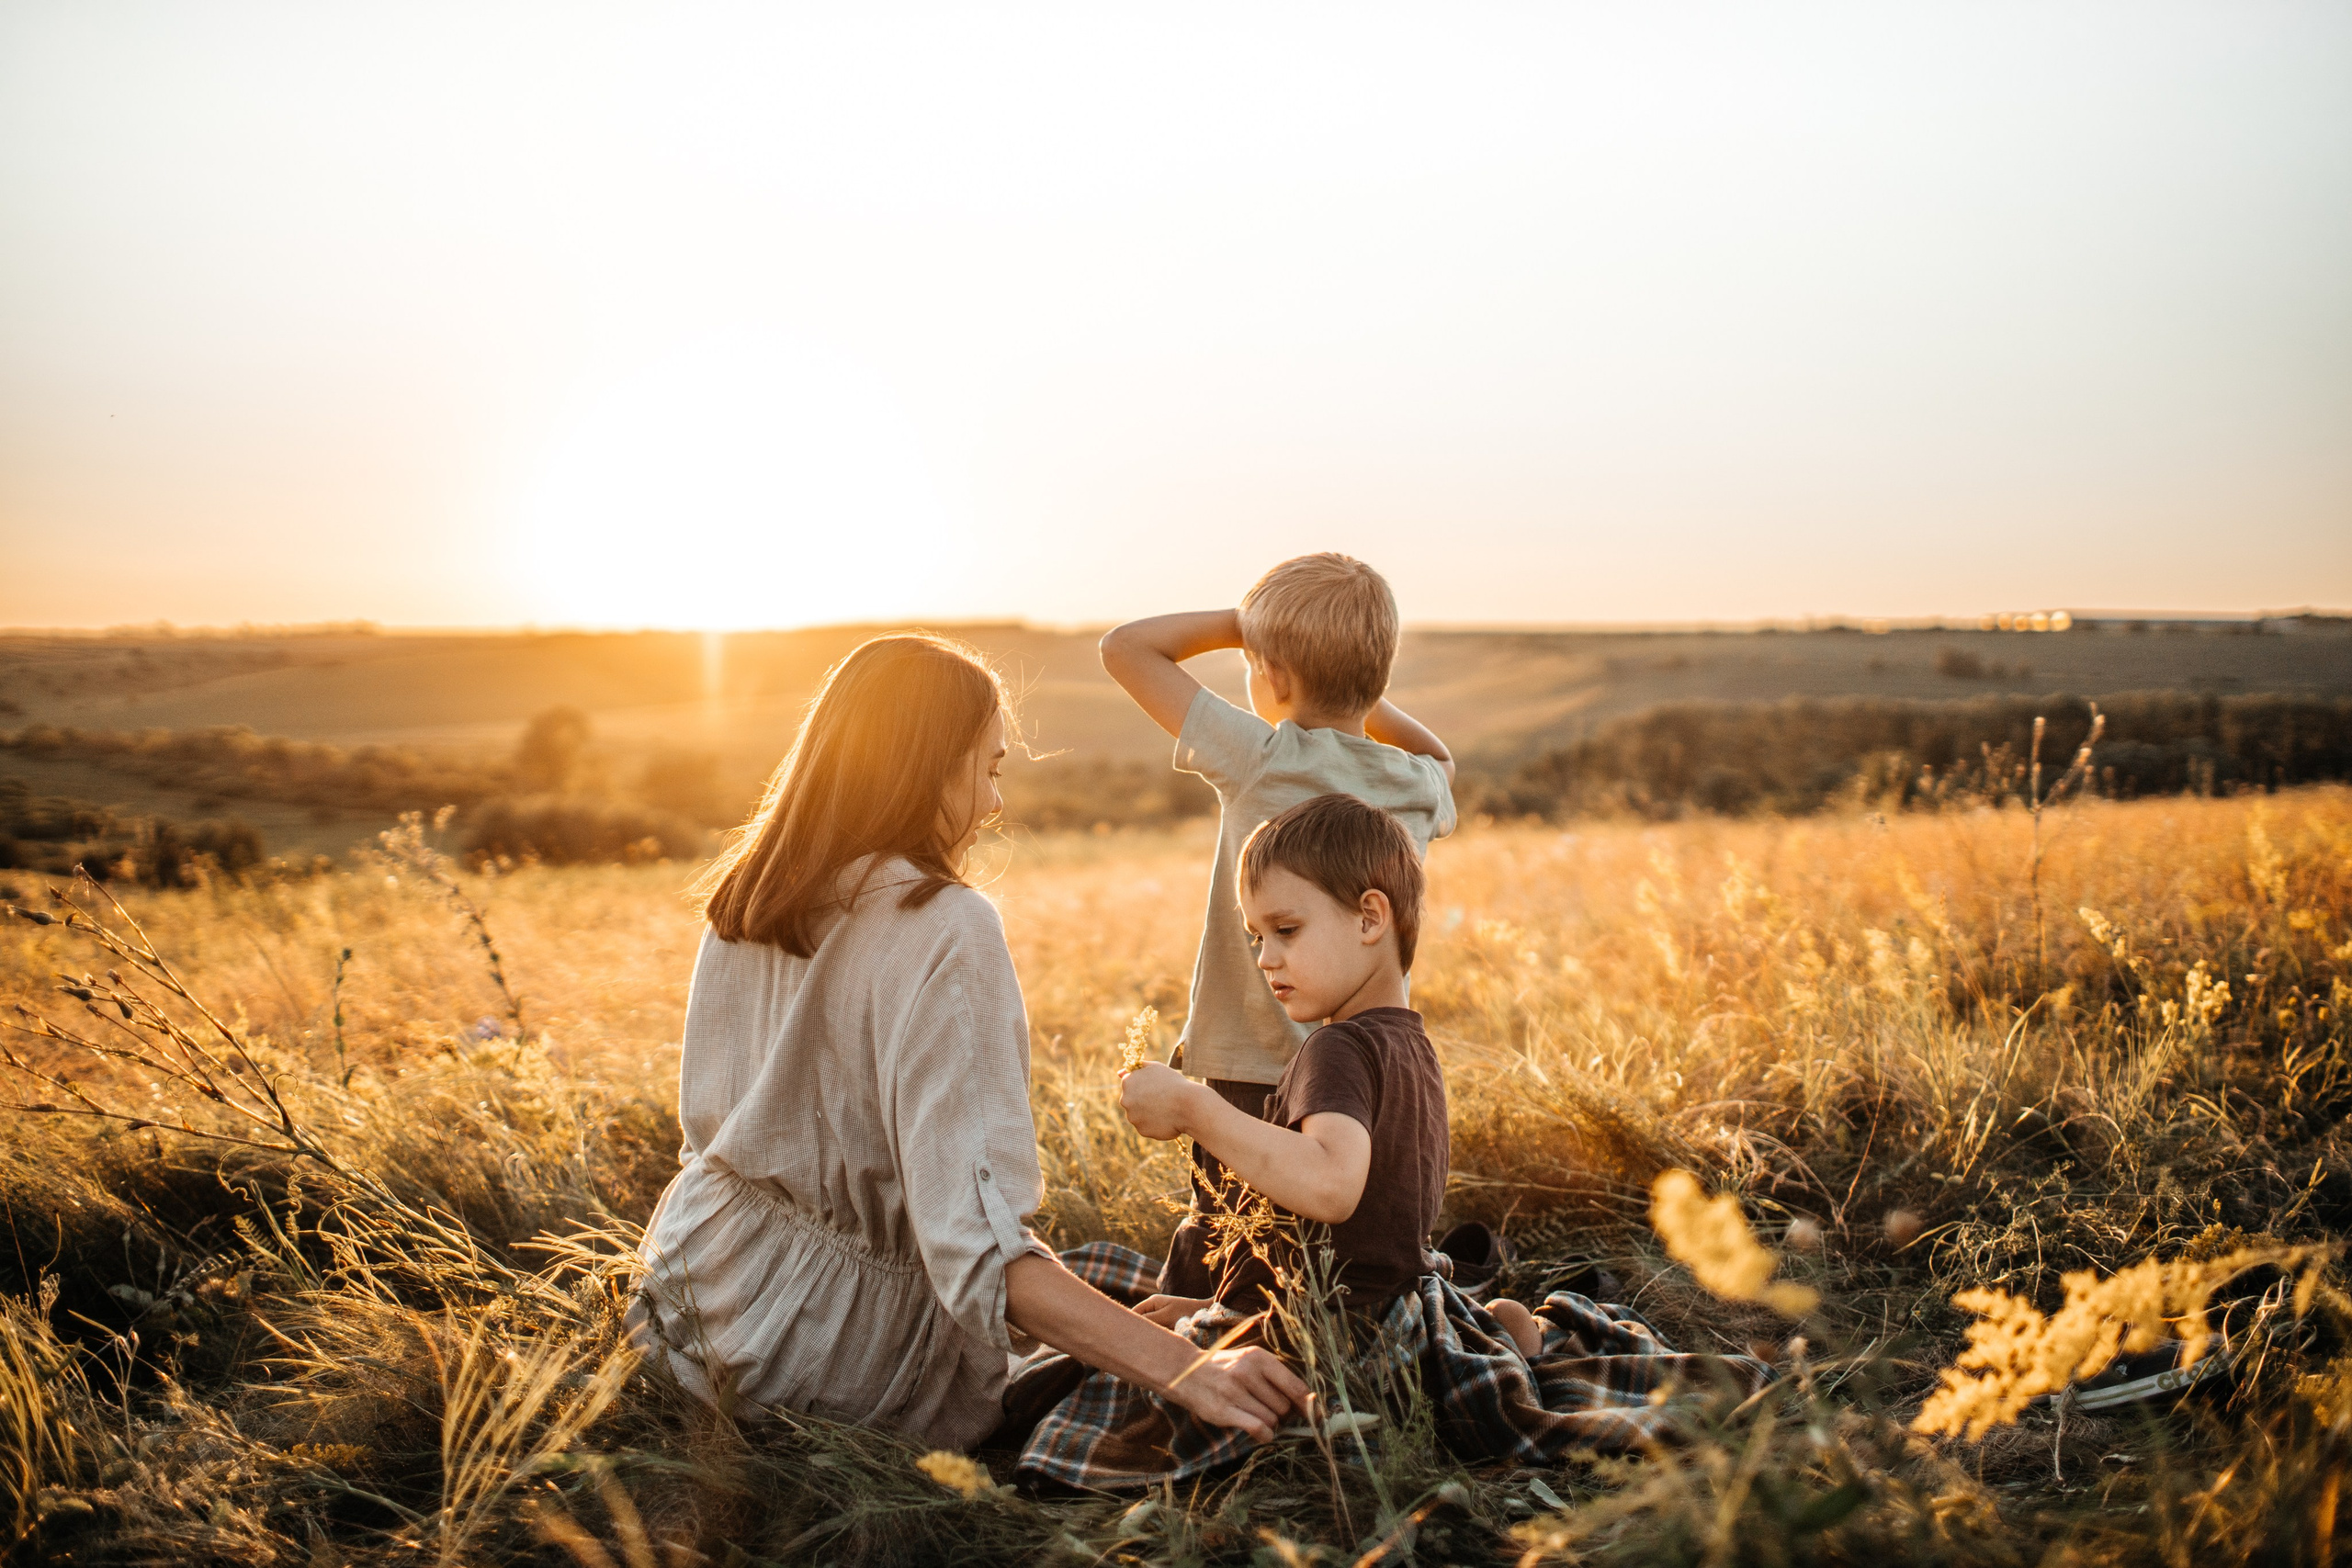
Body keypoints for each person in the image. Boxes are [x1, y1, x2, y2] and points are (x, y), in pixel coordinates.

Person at [627, 632, 1306, 1451]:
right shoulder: (945, 925)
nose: (993, 804)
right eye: (988, 768)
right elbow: (984, 1260)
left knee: (1129, 1283)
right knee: (1249, 1351)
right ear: (925, 764)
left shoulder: (748, 895)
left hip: (683, 1302)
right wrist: (1196, 1372)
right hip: (831, 1361)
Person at [1008, 792, 1773, 1492]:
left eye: (1286, 929)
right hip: (1394, 1297)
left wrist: (1195, 1109)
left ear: (1371, 917)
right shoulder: (1407, 1042)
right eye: (1255, 935)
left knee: (1098, 1381)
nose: (1265, 955)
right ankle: (1502, 1335)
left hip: (1335, 1331)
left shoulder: (1335, 1051)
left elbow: (1332, 1185)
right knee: (1154, 1305)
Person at [1097, 553, 1455, 1301]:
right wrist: (1354, 679)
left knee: (1233, 1238)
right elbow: (1440, 754)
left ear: (1276, 674)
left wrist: (1243, 626)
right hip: (1374, 1055)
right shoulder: (1414, 783)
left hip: (1250, 1060)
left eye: (1256, 667)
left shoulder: (1261, 755)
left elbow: (1125, 647)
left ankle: (1210, 1327)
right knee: (1340, 1246)